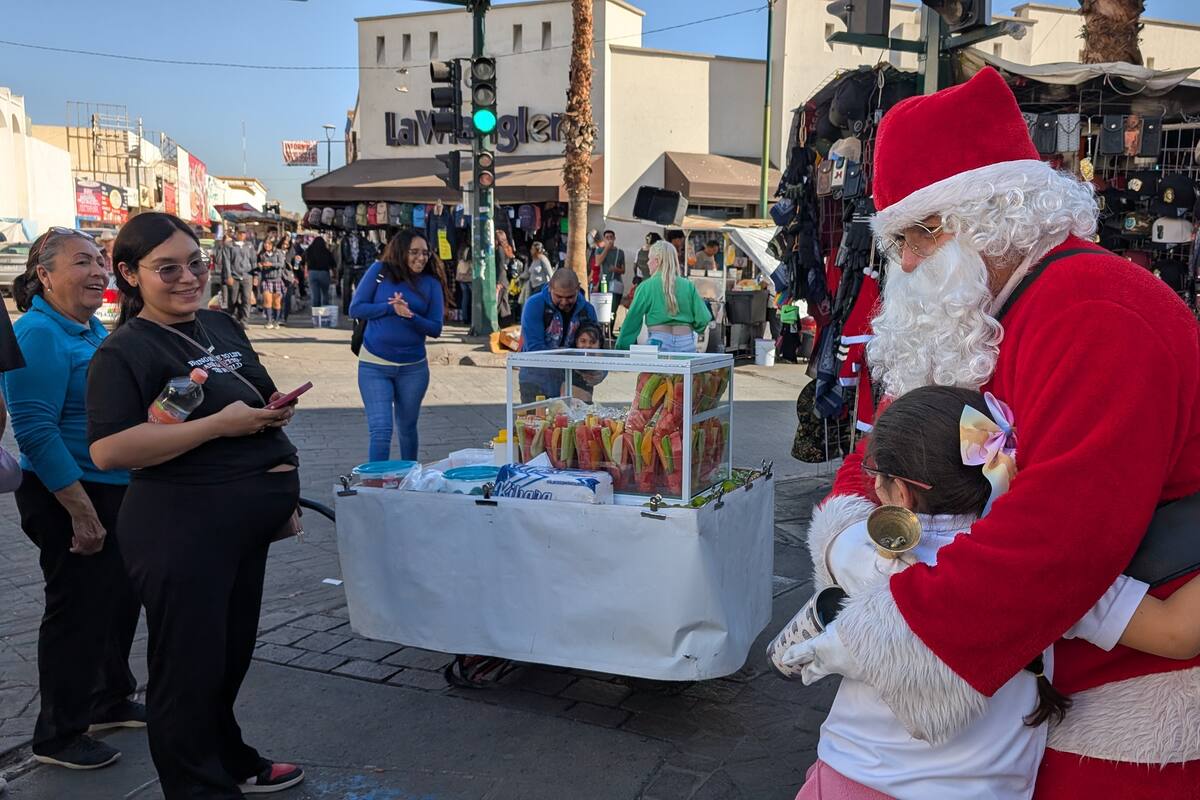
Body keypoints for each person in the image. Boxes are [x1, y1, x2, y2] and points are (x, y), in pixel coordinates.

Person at [784, 68, 1200, 798]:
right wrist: (855, 543)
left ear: (1002, 212)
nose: (907, 262)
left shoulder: (1098, 311)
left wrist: (887, 630)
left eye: (924, 231)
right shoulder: (968, 309)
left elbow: (1061, 538)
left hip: (1114, 709)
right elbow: (886, 445)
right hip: (1023, 700)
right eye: (897, 238)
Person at [788, 385, 1200, 799]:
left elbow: (836, 529)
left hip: (845, 775)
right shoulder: (1040, 568)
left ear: (899, 492)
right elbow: (1176, 633)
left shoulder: (856, 547)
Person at [87, 212, 304, 798]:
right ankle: (196, 786)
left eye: (196, 263)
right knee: (187, 670)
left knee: (227, 658)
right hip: (181, 529)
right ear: (129, 275)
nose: (188, 278)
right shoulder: (123, 351)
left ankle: (227, 756)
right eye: (167, 269)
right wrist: (219, 428)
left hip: (243, 525)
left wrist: (271, 417)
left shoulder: (220, 325)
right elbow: (109, 450)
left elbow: (254, 395)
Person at [3, 228, 142, 772]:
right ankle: (58, 734)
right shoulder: (39, 333)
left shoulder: (84, 328)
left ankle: (109, 698)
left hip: (110, 487)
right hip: (68, 494)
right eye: (82, 262)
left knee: (117, 601)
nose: (98, 272)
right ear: (44, 274)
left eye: (101, 262)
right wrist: (80, 510)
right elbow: (34, 429)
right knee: (77, 612)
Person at [349, 229, 444, 462]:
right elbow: (356, 308)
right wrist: (389, 308)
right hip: (375, 365)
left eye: (425, 253)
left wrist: (409, 316)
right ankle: (375, 488)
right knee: (381, 431)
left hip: (413, 368)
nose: (421, 258)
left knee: (407, 428)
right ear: (401, 251)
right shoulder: (379, 271)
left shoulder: (431, 284)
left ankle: (408, 480)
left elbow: (435, 328)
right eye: (414, 252)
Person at [615, 240, 712, 352]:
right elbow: (703, 318)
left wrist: (622, 346)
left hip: (658, 341)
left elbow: (632, 320)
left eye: (649, 259)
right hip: (686, 341)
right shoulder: (688, 286)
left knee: (655, 370)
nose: (647, 263)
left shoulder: (645, 287)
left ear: (657, 261)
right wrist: (694, 328)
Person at [518, 268, 596, 403]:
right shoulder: (534, 305)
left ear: (578, 289)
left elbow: (596, 346)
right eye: (559, 297)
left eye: (570, 297)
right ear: (550, 288)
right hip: (536, 381)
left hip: (576, 383)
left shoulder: (588, 310)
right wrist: (571, 357)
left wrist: (597, 372)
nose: (564, 302)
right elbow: (534, 349)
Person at [565, 321, 607, 402]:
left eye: (593, 342)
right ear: (576, 342)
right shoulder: (569, 363)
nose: (587, 346)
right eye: (583, 341)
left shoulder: (597, 364)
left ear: (599, 345)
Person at [221, 230, 255, 325]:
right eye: (240, 233)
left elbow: (253, 261)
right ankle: (231, 319)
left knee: (246, 299)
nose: (242, 235)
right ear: (236, 234)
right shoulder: (229, 245)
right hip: (234, 276)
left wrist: (255, 275)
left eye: (244, 233)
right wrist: (228, 276)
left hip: (247, 276)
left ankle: (244, 321)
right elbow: (226, 262)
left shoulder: (249, 245)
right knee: (232, 300)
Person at [257, 238, 286, 329]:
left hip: (277, 279)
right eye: (265, 244)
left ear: (272, 245)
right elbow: (258, 265)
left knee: (277, 302)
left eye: (269, 244)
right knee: (267, 301)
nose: (267, 246)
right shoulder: (262, 254)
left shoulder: (278, 252)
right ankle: (269, 321)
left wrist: (271, 264)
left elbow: (281, 264)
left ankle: (276, 321)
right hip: (266, 280)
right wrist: (260, 266)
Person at [596, 230, 626, 308]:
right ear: (604, 239)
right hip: (604, 283)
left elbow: (623, 270)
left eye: (611, 237)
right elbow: (598, 262)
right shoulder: (599, 250)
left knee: (613, 308)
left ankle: (612, 320)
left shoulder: (620, 252)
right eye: (607, 237)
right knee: (603, 307)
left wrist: (615, 269)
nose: (609, 239)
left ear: (614, 238)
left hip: (616, 283)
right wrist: (607, 249)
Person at [304, 235, 336, 309]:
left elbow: (304, 262)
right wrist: (335, 275)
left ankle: (316, 311)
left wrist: (305, 272)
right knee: (325, 294)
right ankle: (325, 311)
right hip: (324, 273)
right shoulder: (327, 252)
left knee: (315, 294)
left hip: (312, 273)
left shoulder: (309, 250)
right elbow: (333, 265)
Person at [518, 241, 554, 308]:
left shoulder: (543, 259)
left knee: (537, 304)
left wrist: (552, 287)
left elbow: (550, 272)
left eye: (532, 249)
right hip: (533, 287)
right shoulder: (533, 260)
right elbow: (528, 273)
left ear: (537, 250)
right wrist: (520, 277)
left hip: (541, 286)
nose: (531, 251)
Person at [454, 245, 473, 326]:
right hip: (470, 280)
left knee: (465, 298)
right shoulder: (471, 261)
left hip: (461, 280)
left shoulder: (460, 260)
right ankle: (472, 317)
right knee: (474, 299)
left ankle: (465, 317)